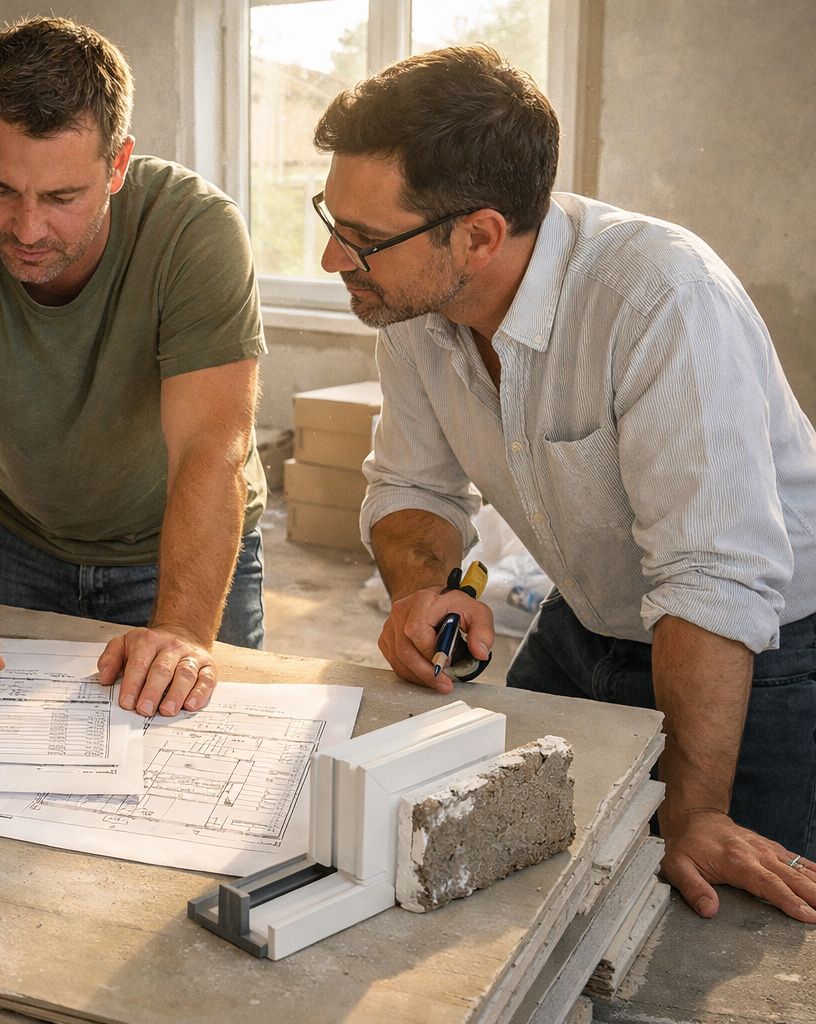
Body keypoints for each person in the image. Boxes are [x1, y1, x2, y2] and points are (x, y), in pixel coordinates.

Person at [312, 45, 816, 922]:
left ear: (477, 234)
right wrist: (426, 592)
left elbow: (712, 578)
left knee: (708, 918)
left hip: (761, 654)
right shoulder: (412, 304)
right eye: (331, 219)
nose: (330, 258)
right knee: (505, 879)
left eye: (359, 239)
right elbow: (412, 488)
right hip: (584, 623)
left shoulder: (660, 297)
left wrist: (694, 813)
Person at [0, 17, 267, 720]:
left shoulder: (197, 232)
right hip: (12, 544)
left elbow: (210, 447)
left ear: (119, 163)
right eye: (0, 189)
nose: (29, 228)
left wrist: (184, 631)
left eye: (64, 198)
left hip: (177, 547)